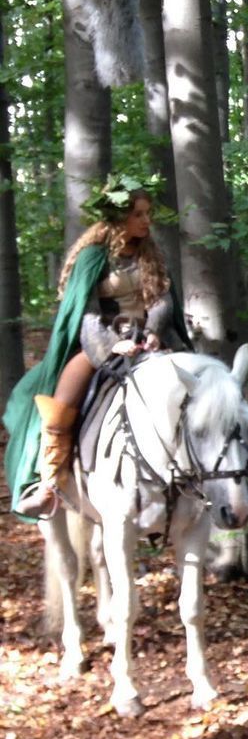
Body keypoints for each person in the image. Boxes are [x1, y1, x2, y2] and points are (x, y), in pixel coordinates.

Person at [4, 180, 189, 520]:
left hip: (150, 340)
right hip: (101, 341)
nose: (146, 221)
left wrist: (153, 331)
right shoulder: (93, 258)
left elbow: (162, 299)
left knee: (197, 389)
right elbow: (86, 314)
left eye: (147, 214)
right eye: (138, 214)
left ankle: (204, 475)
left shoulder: (152, 252)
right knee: (62, 403)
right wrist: (110, 345)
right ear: (119, 218)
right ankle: (47, 484)